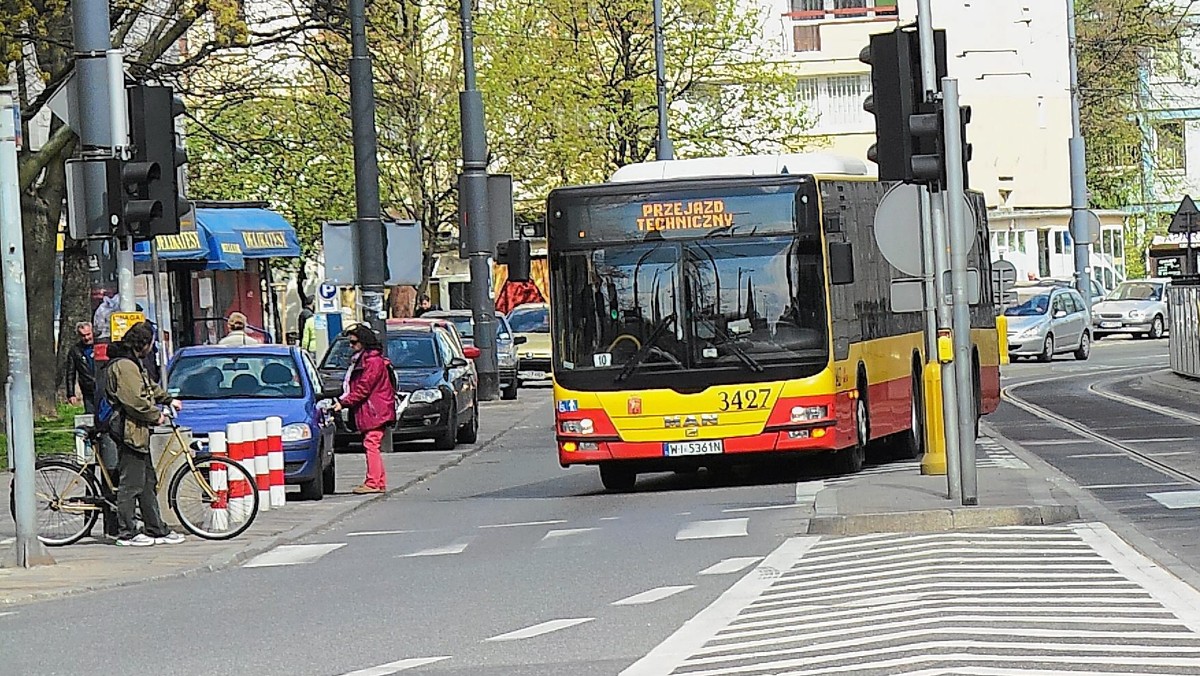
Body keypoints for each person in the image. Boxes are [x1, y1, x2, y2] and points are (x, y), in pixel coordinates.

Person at [103, 322, 185, 547]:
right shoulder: (125, 366)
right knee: (131, 483)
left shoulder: (132, 363)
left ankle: (156, 528)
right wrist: (154, 415)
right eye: (151, 343)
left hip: (137, 431)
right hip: (128, 430)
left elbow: (148, 387)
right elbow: (134, 400)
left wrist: (168, 400)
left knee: (148, 481)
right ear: (144, 344)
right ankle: (126, 532)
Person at [332, 325, 396, 494]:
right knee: (372, 443)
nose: (351, 346)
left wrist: (344, 402)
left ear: (364, 342)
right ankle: (378, 481)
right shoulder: (365, 359)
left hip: (374, 409)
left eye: (354, 342)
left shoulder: (372, 362)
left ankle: (373, 482)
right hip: (375, 408)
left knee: (371, 443)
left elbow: (363, 388)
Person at [66, 322, 97, 413]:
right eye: (83, 335)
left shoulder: (101, 346)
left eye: (88, 334)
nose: (87, 338)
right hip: (88, 387)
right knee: (91, 414)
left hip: (103, 387)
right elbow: (70, 373)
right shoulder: (75, 351)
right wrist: (71, 394)